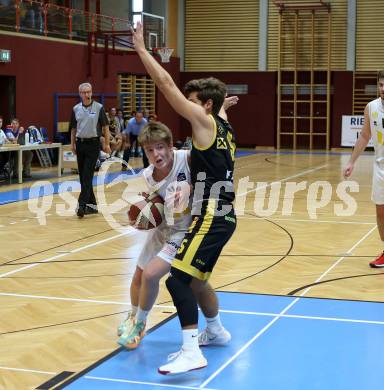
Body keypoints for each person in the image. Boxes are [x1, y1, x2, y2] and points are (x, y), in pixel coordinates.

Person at [132, 22, 238, 375]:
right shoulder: (223, 126)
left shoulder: (205, 122)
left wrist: (143, 51)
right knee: (194, 278)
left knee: (177, 279)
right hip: (221, 215)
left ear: (205, 106)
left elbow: (165, 84)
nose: (186, 108)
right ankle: (217, 331)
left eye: (193, 104)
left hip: (210, 217)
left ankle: (192, 351)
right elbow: (220, 111)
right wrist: (225, 106)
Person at [117, 121, 192, 350]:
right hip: (163, 229)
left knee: (151, 275)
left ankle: (140, 324)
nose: (156, 153)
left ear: (170, 146)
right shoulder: (148, 175)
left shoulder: (187, 159)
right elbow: (156, 202)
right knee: (138, 274)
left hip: (182, 231)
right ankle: (132, 316)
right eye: (150, 150)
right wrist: (142, 214)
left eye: (160, 147)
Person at [343, 70, 384, 268]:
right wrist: (352, 162)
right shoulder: (371, 107)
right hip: (380, 167)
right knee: (381, 212)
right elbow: (365, 136)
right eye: (381, 84)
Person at [70, 82, 111, 218]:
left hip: (93, 145)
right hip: (80, 144)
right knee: (83, 177)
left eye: (89, 92)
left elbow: (105, 127)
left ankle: (81, 206)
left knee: (87, 175)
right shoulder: (76, 109)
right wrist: (72, 144)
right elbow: (73, 129)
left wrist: (107, 144)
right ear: (80, 94)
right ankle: (92, 206)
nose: (87, 94)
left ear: (92, 92)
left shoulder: (99, 107)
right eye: (84, 92)